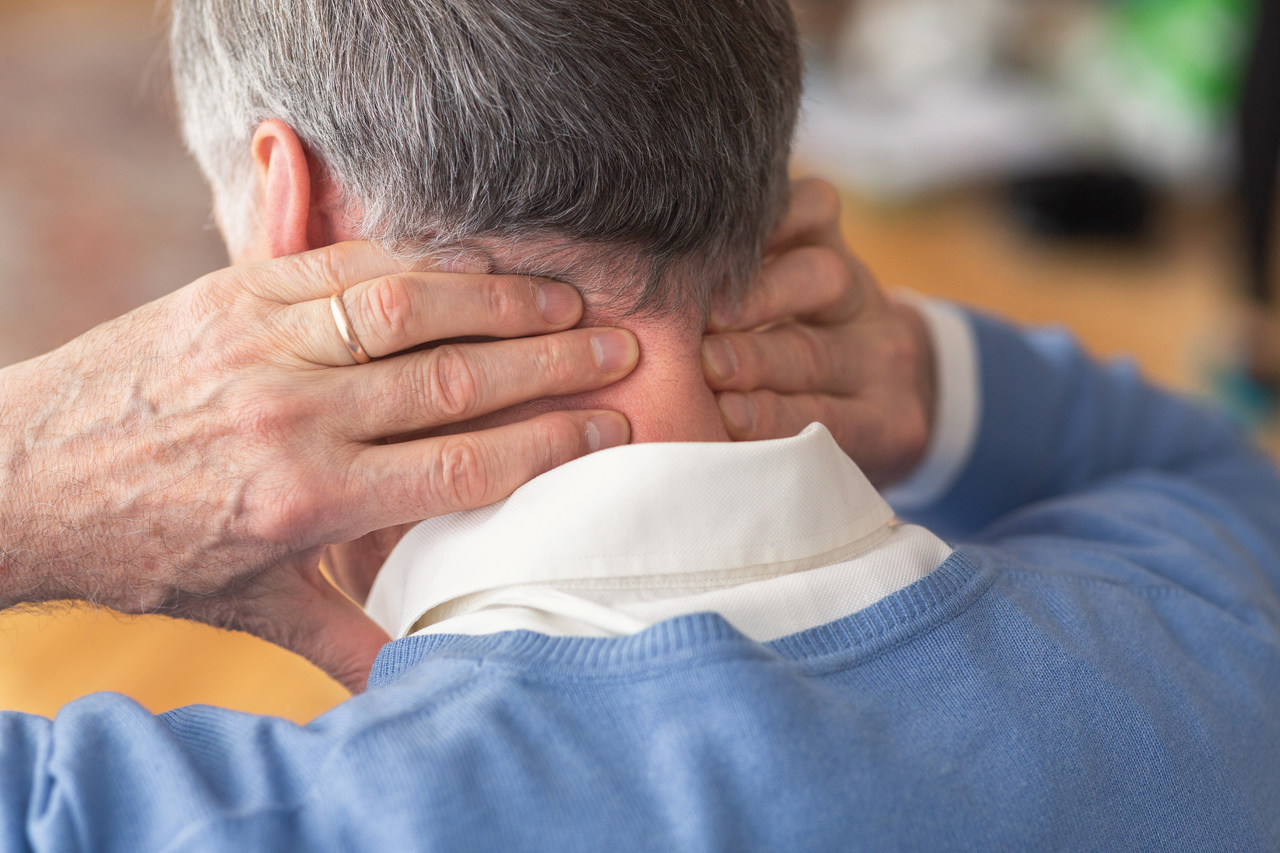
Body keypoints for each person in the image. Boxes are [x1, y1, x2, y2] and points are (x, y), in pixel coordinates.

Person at [3, 2, 1279, 852]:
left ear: (298, 212)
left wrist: (27, 481)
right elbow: (1209, 467)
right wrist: (933, 379)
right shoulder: (1217, 643)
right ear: (761, 176)